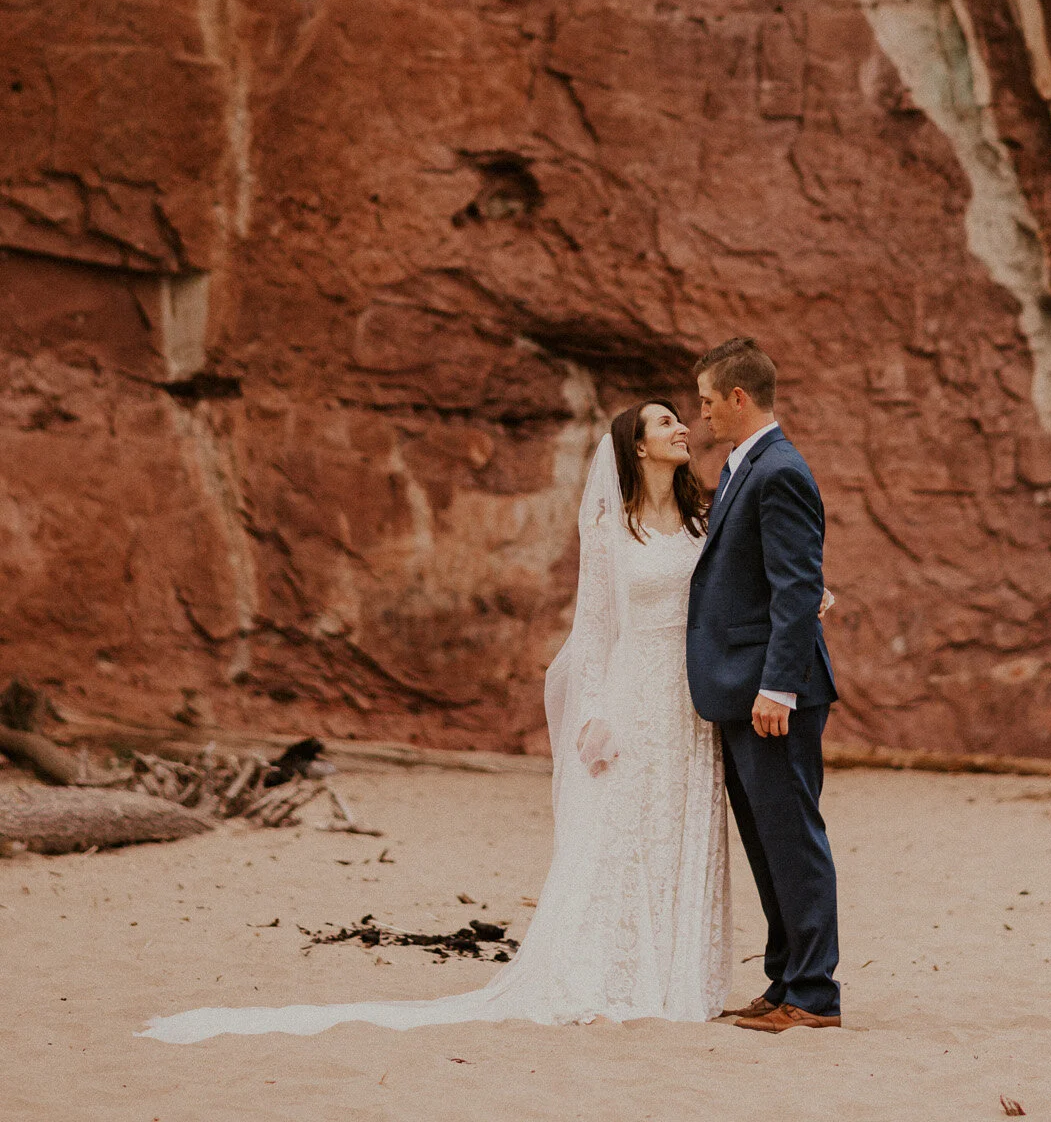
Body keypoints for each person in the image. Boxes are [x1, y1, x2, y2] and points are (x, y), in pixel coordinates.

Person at [140, 400, 732, 1041]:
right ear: (638, 448)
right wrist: (592, 714)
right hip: (634, 695)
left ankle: (675, 977)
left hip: (691, 701)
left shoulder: (705, 522)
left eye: (679, 419)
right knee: (623, 834)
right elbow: (592, 633)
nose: (681, 428)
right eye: (665, 423)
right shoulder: (612, 528)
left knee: (680, 826)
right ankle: (612, 974)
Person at [687, 336, 841, 1033]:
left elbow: (797, 585)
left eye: (707, 400)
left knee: (791, 837)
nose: (703, 414)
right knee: (765, 840)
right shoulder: (743, 468)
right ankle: (784, 982)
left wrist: (777, 687)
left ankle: (811, 994)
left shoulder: (778, 469)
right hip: (743, 689)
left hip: (773, 695)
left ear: (738, 397)